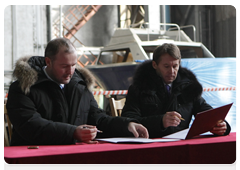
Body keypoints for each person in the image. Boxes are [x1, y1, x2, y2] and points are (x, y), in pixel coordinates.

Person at [6, 38, 148, 146]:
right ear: (48, 62)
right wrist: (73, 132)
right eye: (64, 66)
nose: (70, 72)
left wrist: (127, 125)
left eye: (74, 65)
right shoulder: (22, 88)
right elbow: (30, 125)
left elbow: (98, 118)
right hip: (34, 158)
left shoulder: (80, 85)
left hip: (74, 155)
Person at [121, 43, 231, 138]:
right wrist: (160, 121)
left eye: (175, 66)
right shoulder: (139, 87)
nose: (172, 71)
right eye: (166, 66)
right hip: (150, 144)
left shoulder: (188, 87)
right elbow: (128, 120)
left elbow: (207, 113)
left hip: (182, 146)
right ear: (155, 65)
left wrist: (221, 125)